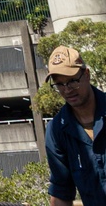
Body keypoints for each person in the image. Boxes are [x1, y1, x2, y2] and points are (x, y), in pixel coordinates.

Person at [45, 45, 106, 206]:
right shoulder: (56, 130)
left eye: (72, 81)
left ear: (86, 74)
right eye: (59, 84)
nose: (67, 90)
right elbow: (61, 193)